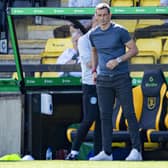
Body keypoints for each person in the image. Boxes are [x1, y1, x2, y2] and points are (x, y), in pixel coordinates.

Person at [89, 3, 142, 161]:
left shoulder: (120, 31)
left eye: (105, 15)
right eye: (99, 15)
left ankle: (136, 151)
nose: (103, 18)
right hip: (103, 80)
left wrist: (118, 60)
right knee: (105, 116)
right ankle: (107, 152)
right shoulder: (93, 35)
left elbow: (134, 50)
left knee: (129, 113)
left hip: (121, 78)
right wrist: (93, 71)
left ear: (110, 15)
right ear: (96, 16)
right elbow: (94, 52)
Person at [65, 17, 102, 160]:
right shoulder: (84, 40)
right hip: (90, 85)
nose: (101, 25)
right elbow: (88, 63)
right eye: (98, 22)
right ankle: (73, 152)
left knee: (101, 120)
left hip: (104, 85)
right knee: (89, 118)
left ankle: (100, 153)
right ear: (93, 24)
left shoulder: (106, 39)